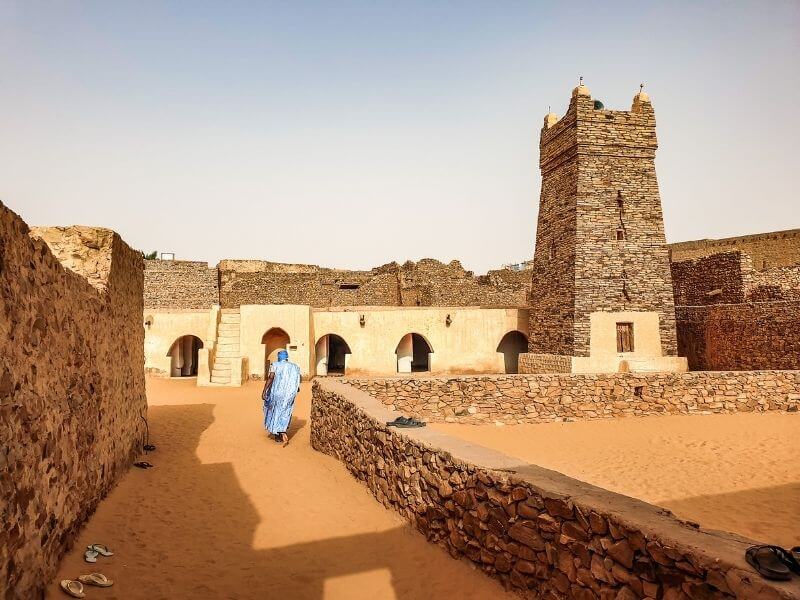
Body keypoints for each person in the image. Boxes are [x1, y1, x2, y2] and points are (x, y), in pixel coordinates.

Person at [262, 350, 301, 446]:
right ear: (286, 357)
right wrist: (296, 388)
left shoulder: (274, 365)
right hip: (288, 394)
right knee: (285, 411)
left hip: (276, 393)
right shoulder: (294, 367)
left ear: (279, 357)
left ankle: (278, 433)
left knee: (275, 411)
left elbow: (271, 377)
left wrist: (264, 390)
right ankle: (282, 430)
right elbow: (298, 379)